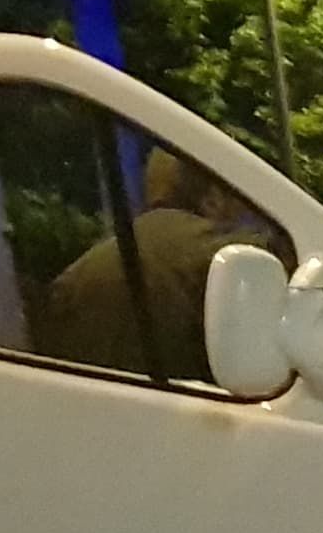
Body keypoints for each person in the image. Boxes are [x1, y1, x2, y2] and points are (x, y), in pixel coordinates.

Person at [29, 149, 282, 383]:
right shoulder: (232, 257)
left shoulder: (80, 273)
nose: (239, 216)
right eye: (235, 203)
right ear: (213, 199)